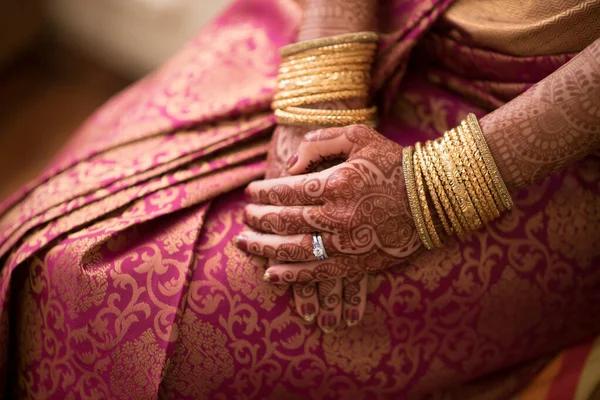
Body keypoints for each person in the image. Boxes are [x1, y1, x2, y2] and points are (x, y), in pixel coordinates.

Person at [0, 0, 599, 398]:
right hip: (355, 22)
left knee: (112, 293)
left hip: (538, 128)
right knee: (56, 246)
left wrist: (433, 190)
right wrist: (324, 81)